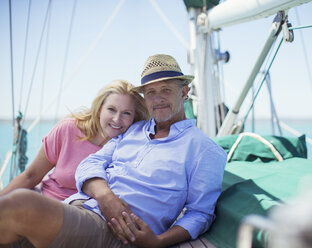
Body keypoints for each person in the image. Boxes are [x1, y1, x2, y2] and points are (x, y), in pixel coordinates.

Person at [0, 54, 227, 248]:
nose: (157, 99)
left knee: (21, 204)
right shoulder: (133, 131)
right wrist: (105, 196)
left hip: (118, 232)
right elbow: (89, 164)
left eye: (165, 90)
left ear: (184, 92)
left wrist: (158, 242)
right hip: (80, 206)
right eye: (150, 92)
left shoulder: (205, 150)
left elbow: (200, 214)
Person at [0, 80, 149, 201]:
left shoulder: (131, 148)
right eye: (111, 109)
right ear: (99, 110)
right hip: (44, 201)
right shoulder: (68, 129)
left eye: (126, 113)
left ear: (134, 118)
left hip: (84, 218)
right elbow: (30, 176)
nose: (117, 119)